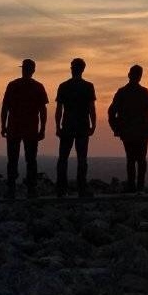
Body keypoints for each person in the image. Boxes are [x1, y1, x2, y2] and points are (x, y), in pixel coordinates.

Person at [107, 64, 148, 193]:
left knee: (131, 159)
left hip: (129, 131)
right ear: (140, 77)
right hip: (141, 131)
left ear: (129, 75)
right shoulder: (143, 92)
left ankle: (133, 186)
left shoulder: (123, 92)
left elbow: (111, 112)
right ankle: (139, 187)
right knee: (140, 159)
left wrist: (116, 127)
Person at [1, 58, 48, 199]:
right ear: (33, 70)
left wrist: (3, 126)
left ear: (23, 69)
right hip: (29, 129)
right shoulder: (38, 87)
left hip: (15, 128)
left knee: (13, 159)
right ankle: (30, 190)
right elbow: (43, 111)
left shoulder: (13, 85)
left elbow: (5, 108)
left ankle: (12, 190)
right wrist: (43, 129)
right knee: (30, 160)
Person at [54, 57, 97, 198]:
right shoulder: (88, 86)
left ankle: (61, 189)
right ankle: (81, 189)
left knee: (63, 158)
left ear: (72, 68)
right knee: (81, 158)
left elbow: (59, 109)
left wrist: (58, 126)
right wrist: (93, 124)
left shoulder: (64, 86)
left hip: (68, 125)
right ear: (83, 69)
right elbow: (91, 108)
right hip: (82, 126)